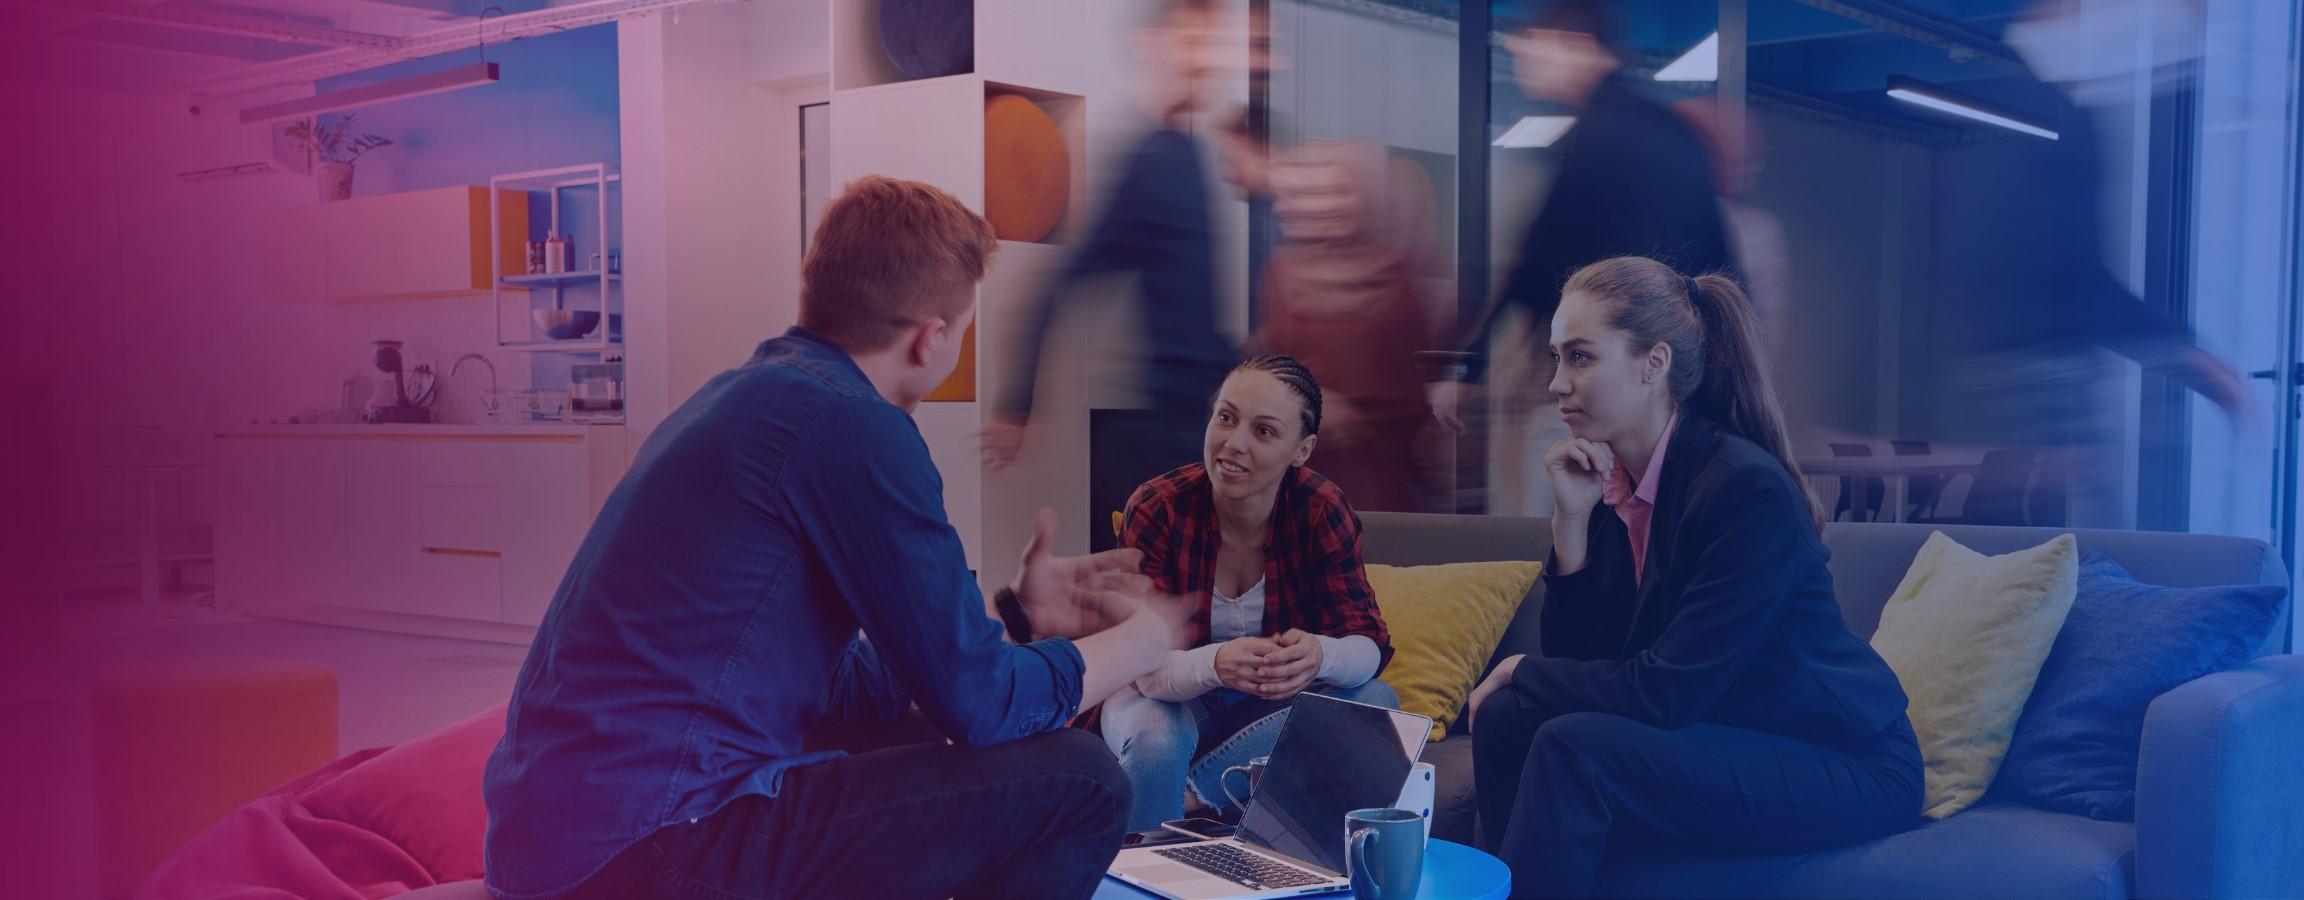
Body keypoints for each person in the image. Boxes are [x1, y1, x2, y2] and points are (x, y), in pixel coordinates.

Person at [482, 177, 1192, 900]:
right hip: (653, 843)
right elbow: (980, 707)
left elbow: (841, 687)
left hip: (554, 842)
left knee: (929, 729)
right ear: (931, 337)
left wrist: (1017, 618)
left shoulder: (748, 395)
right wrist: (1140, 641)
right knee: (1082, 779)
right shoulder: (855, 428)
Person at [1464, 257, 1920, 898]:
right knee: (1510, 717)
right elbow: (1583, 665)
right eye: (1556, 358)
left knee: (1572, 744)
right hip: (1729, 733)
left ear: (1654, 365)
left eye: (1580, 357)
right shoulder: (1614, 481)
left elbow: (1665, 694)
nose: (1555, 384)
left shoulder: (1742, 489)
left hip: (1844, 760)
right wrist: (1571, 524)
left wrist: (1519, 667)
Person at [1426, 0, 1737, 506]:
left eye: (1533, 45)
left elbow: (1538, 260)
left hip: (1613, 364)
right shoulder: (1661, 131)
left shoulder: (1602, 134)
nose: (1522, 56)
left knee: (1553, 494)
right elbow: (1717, 262)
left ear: (1580, 50)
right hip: (1669, 372)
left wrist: (1468, 368)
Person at [984, 0, 1241, 550]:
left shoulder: (1189, 153)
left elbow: (1196, 312)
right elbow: (1063, 283)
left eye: (1211, 42)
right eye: (1191, 42)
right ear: (1156, 48)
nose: (1205, 59)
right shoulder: (1153, 161)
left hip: (1199, 416)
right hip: (1166, 430)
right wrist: (1015, 402)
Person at [1101, 354, 1398, 830]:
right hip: (1160, 693)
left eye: (1263, 431)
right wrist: (1217, 663)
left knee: (1376, 702)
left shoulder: (1321, 509)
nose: (1233, 444)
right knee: (1157, 736)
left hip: (1264, 707)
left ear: (1301, 450)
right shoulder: (1158, 506)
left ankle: (1192, 799)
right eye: (1226, 417)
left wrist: (1320, 655)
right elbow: (1141, 668)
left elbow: (1370, 645)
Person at [1253, 141, 1440, 512]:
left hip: (1381, 469)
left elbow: (1414, 382)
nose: (1326, 206)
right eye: (1314, 194)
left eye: (1339, 192)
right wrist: (1311, 402)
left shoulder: (1395, 273)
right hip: (1304, 463)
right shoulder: (1280, 273)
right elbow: (1272, 367)